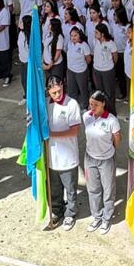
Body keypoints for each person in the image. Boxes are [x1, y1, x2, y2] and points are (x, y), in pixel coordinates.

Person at [47, 76, 82, 230]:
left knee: (71, 188)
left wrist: (51, 134)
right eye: (53, 93)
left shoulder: (71, 104)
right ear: (48, 91)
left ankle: (70, 213)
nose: (57, 95)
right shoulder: (46, 105)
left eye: (59, 91)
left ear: (62, 85)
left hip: (68, 156)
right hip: (52, 155)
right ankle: (57, 210)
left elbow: (74, 131)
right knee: (54, 187)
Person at [83, 90, 120, 233]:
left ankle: (107, 218)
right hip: (90, 158)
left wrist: (110, 151)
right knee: (93, 189)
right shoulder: (86, 116)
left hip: (106, 160)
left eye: (96, 105)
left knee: (108, 190)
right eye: (91, 104)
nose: (92, 107)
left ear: (103, 104)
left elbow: (117, 138)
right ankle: (97, 217)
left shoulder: (111, 120)